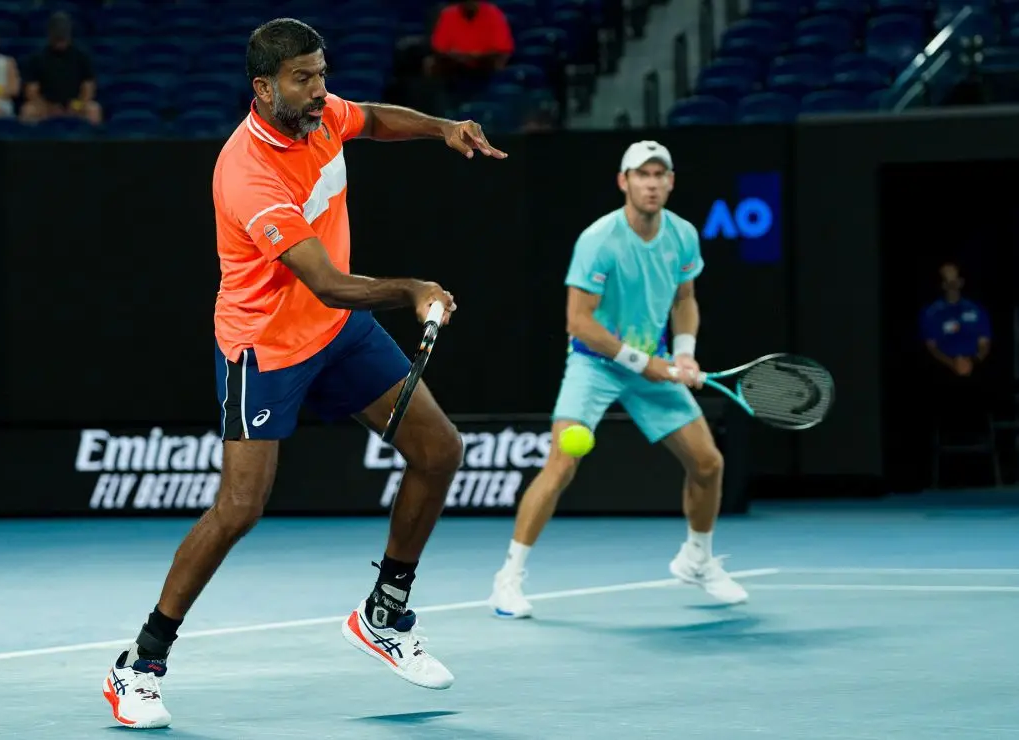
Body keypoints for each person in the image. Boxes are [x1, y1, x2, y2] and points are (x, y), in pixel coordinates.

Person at [102, 18, 507, 730]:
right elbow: (326, 281)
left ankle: (384, 613)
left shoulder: (320, 116)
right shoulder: (248, 172)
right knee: (240, 508)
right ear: (264, 88)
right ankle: (140, 662)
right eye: (303, 79)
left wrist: (443, 127)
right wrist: (413, 289)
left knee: (439, 450)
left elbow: (374, 118)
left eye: (321, 74)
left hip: (336, 332)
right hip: (265, 347)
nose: (320, 91)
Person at [487, 141, 749, 619]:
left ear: (670, 182)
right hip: (595, 364)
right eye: (641, 175)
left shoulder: (683, 235)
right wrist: (641, 361)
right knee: (562, 464)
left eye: (659, 175)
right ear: (623, 182)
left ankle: (697, 559)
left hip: (654, 363)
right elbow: (578, 322)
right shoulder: (599, 240)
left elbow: (685, 299)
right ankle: (508, 579)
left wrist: (685, 354)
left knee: (708, 464)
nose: (651, 183)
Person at [920, 262, 992, 442]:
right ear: (942, 285)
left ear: (961, 282)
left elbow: (984, 344)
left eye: (955, 281)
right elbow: (932, 348)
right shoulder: (932, 313)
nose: (951, 285)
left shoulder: (976, 310)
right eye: (947, 282)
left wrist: (972, 361)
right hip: (944, 370)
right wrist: (953, 364)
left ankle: (979, 434)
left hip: (973, 367)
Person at [20, 12, 102, 125]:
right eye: (57, 38)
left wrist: (78, 105)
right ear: (50, 35)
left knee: (93, 109)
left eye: (63, 38)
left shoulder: (81, 57)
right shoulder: (37, 58)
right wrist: (48, 107)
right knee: (28, 110)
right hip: (45, 105)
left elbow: (88, 87)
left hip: (75, 104)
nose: (60, 42)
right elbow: (31, 91)